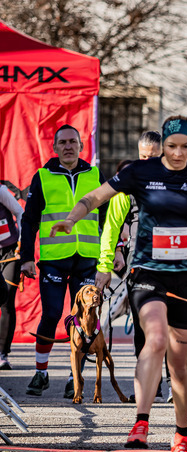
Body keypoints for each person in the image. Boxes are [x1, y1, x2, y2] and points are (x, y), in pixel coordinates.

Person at [63, 115, 187, 452]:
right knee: (155, 339)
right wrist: (73, 218)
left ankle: (182, 435)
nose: (179, 154)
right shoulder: (140, 172)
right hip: (148, 274)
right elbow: (96, 196)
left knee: (180, 366)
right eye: (172, 146)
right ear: (161, 145)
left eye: (185, 147)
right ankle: (141, 422)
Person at [98, 131, 187, 401]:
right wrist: (105, 264)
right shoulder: (130, 181)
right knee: (146, 331)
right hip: (141, 266)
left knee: (175, 330)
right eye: (143, 156)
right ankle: (150, 386)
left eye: (153, 157)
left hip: (180, 266)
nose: (147, 162)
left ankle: (174, 382)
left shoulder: (183, 180)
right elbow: (111, 226)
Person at [19, 124, 107, 398]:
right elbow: (29, 219)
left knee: (83, 319)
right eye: (63, 143)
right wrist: (26, 259)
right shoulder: (43, 177)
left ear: (81, 146)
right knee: (53, 314)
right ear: (54, 147)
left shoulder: (95, 175)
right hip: (54, 259)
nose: (68, 146)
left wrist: (112, 252)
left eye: (73, 142)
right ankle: (41, 372)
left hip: (87, 260)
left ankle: (75, 376)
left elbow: (107, 218)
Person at [0, 184, 23, 370]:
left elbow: (20, 212)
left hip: (9, 252)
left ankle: (2, 353)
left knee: (6, 299)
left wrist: (21, 241)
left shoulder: (0, 190)